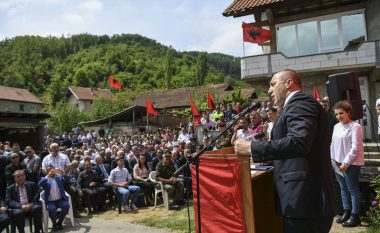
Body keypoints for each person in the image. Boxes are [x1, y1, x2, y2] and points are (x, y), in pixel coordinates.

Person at [234, 69, 337, 233]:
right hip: (301, 201)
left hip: (306, 201)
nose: (269, 90)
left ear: (289, 83)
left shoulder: (301, 103)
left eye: (273, 84)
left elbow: (299, 143)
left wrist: (252, 147)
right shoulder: (293, 106)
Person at [330, 101, 364, 227]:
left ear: (348, 112)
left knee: (353, 190)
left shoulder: (355, 127)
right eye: (337, 114)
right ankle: (346, 212)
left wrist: (346, 163)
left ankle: (355, 216)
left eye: (341, 113)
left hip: (351, 163)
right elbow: (333, 145)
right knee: (343, 189)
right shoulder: (336, 126)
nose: (339, 116)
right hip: (337, 162)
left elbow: (355, 147)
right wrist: (331, 159)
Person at [38, 165, 70, 231]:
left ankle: (60, 222)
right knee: (51, 209)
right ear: (47, 172)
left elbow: (68, 181)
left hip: (60, 200)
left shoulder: (59, 177)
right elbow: (39, 185)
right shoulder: (44, 178)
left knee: (66, 206)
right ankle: (54, 224)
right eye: (49, 170)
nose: (51, 171)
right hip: (50, 201)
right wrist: (47, 176)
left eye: (52, 170)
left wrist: (64, 174)